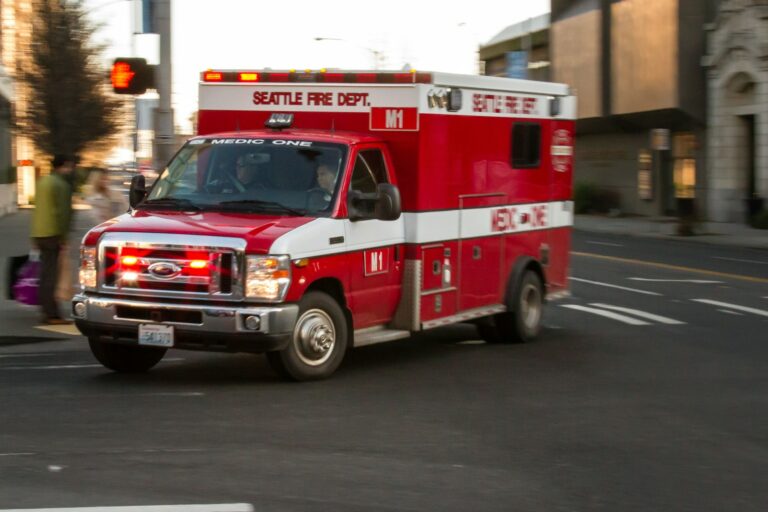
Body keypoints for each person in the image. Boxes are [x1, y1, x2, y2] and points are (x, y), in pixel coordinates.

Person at [30, 155, 75, 324]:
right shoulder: (61, 185)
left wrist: (33, 234)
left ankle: (46, 309)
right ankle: (51, 314)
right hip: (53, 234)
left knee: (45, 273)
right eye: (68, 166)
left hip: (40, 233)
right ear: (62, 166)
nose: (70, 170)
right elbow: (63, 213)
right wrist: (64, 237)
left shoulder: (42, 182)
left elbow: (38, 209)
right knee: (52, 275)